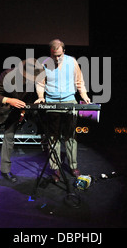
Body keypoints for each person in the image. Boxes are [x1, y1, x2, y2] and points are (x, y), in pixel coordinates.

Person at [0, 58, 41, 189]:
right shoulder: (7, 75)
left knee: (9, 140)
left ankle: (5, 170)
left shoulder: (31, 80)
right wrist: (9, 100)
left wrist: (23, 111)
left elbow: (27, 97)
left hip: (13, 113)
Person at [35, 39, 91, 182]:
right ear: (51, 53)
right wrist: (41, 97)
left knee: (70, 135)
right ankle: (56, 169)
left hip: (69, 100)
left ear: (64, 51)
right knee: (53, 137)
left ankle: (73, 166)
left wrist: (84, 96)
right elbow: (40, 83)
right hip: (52, 102)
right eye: (55, 56)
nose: (57, 58)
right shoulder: (44, 63)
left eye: (60, 55)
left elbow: (79, 81)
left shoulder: (72, 62)